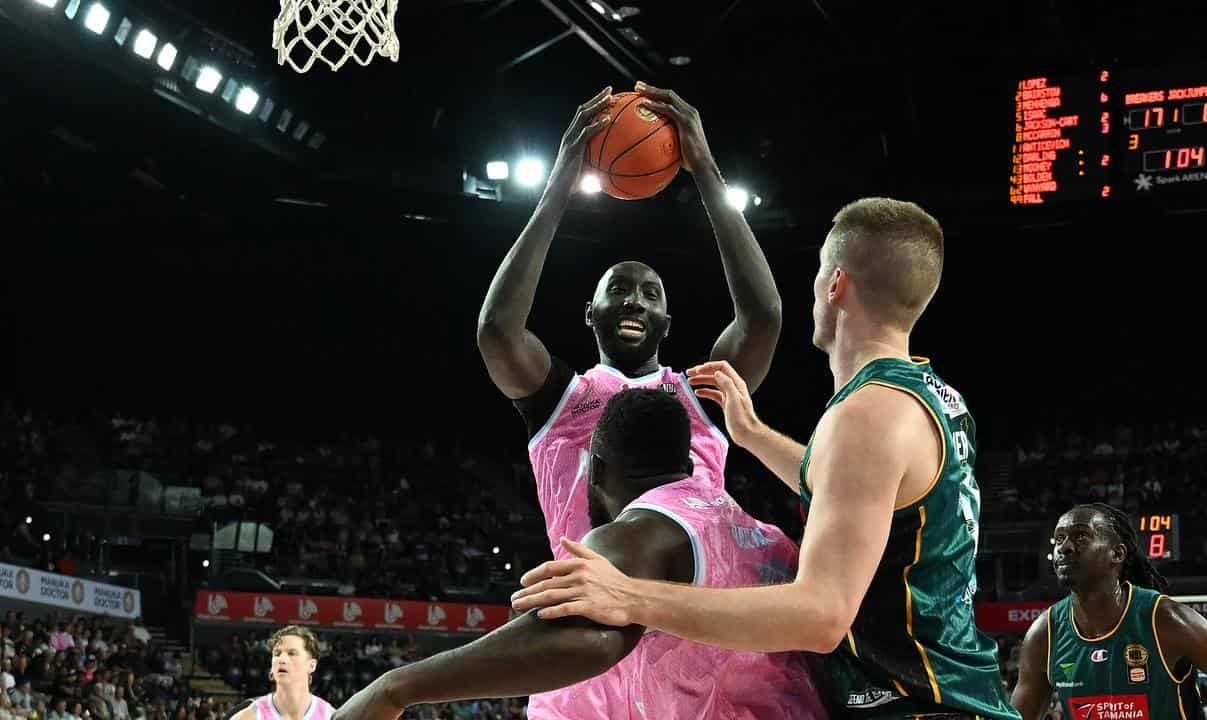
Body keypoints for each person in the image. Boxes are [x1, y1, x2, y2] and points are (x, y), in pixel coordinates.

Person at [512, 197, 1019, 719]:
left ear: (835, 284)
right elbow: (856, 488)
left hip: (916, 704)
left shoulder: (867, 414)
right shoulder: (933, 396)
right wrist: (752, 433)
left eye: (820, 269)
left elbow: (819, 616)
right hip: (956, 692)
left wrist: (632, 597)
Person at [477, 80, 782, 719]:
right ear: (590, 313)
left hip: (693, 644)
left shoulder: (695, 396)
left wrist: (705, 169)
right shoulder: (562, 399)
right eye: (619, 290)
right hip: (582, 647)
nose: (634, 301)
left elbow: (763, 316)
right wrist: (562, 177)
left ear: (668, 322)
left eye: (649, 295)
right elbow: (497, 331)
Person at [334, 389, 826, 720]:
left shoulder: (640, 531)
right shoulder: (758, 531)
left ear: (597, 469)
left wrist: (395, 688)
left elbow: (588, 641)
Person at [1009, 503, 1207, 719]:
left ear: (1117, 554)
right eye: (1059, 539)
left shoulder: (1167, 620)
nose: (1064, 547)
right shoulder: (1046, 633)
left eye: (1081, 537)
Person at [229, 627, 334, 720]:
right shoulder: (249, 716)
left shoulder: (330, 716)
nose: (281, 659)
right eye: (277, 654)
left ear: (312, 665)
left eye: (292, 653)